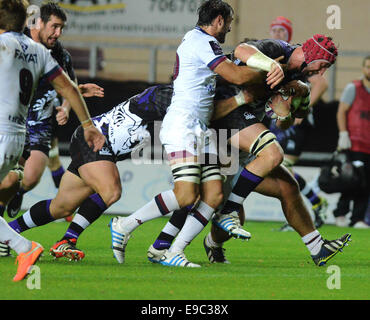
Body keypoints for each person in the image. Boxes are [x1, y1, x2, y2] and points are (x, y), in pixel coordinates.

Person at [147, 34, 352, 267]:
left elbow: (288, 120)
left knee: (287, 187)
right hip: (224, 119)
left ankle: (316, 247)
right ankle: (153, 238)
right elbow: (242, 49)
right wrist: (273, 65)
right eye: (323, 65)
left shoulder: (298, 78)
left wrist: (292, 106)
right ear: (311, 54)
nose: (322, 73)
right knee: (269, 156)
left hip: (243, 132)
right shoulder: (277, 48)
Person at [108, 0, 285, 268]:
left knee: (213, 196)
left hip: (200, 129)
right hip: (182, 125)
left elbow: (233, 75)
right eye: (227, 23)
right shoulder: (198, 40)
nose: (228, 30)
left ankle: (173, 250)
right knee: (186, 196)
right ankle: (126, 224)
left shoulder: (206, 43)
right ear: (217, 20)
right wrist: (269, 68)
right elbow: (235, 76)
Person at [7, 84, 253, 261]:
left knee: (61, 207)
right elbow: (196, 116)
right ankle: (75, 238)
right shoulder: (168, 97)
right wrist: (239, 101)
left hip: (99, 146)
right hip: (94, 140)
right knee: (111, 190)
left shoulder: (183, 105)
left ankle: (10, 232)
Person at [0, 0, 104, 281]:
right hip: (17, 134)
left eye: (61, 27)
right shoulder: (38, 52)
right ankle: (21, 244)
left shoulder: (5, 45)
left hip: (11, 130)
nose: (58, 32)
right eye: (54, 25)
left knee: (25, 179)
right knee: (11, 180)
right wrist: (88, 125)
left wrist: (71, 110)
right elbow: (68, 88)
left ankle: (23, 244)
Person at [268, 16, 329, 231]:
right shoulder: (273, 57)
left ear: (289, 34)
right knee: (280, 167)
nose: (277, 34)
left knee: (284, 167)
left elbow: (321, 82)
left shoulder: (296, 55)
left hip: (296, 123)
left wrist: (304, 107)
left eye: (281, 31)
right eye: (274, 30)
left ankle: (305, 209)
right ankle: (313, 204)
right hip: (279, 121)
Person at [333, 55, 370, 228]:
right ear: (363, 68)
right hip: (354, 143)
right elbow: (341, 111)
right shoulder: (353, 88)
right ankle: (341, 213)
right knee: (350, 180)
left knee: (366, 184)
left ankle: (358, 219)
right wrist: (343, 134)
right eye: (368, 67)